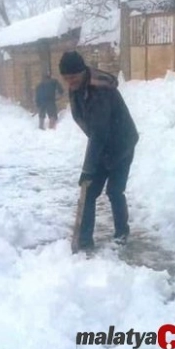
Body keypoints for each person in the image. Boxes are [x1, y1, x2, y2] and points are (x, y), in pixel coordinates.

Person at [59, 51, 139, 250]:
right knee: (90, 191)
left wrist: (88, 169)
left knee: (114, 190)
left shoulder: (100, 90)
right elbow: (93, 130)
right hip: (103, 144)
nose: (70, 82)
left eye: (73, 77)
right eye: (66, 78)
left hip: (122, 143)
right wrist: (92, 166)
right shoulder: (77, 86)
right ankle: (85, 240)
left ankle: (122, 232)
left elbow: (99, 132)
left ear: (82, 72)